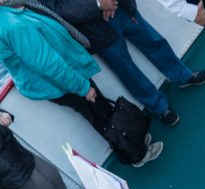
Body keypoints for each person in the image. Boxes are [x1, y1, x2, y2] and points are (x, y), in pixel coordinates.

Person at [0, 2, 162, 167]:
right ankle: (136, 155)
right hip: (62, 81)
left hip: (61, 77)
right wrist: (81, 87)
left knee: (101, 112)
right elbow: (48, 64)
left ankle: (133, 143)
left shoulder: (8, 14)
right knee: (102, 116)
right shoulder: (11, 24)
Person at [41, 0, 205, 126]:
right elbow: (59, 11)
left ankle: (182, 75)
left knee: (154, 42)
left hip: (120, 7)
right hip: (95, 29)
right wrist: (99, 4)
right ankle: (159, 106)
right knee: (127, 69)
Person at [0, 110, 67, 189]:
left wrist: (5, 116)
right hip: (14, 176)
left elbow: (7, 115)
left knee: (57, 181)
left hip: (24, 156)